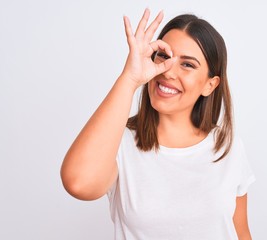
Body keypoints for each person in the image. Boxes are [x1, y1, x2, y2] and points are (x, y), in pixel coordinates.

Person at [61, 8, 255, 240]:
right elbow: (79, 183)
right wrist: (129, 78)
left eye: (188, 65)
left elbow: (241, 232)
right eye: (164, 56)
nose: (168, 71)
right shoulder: (119, 143)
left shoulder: (227, 145)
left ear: (210, 85)